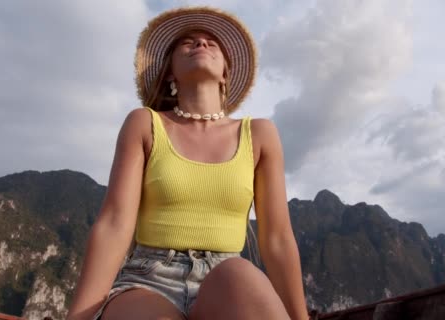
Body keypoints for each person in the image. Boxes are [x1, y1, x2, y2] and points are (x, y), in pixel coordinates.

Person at [67, 6, 309, 320]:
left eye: (212, 42)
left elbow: (277, 238)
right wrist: (78, 315)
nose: (201, 44)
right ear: (169, 71)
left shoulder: (259, 134)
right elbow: (114, 224)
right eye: (188, 42)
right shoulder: (145, 124)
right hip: (148, 279)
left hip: (226, 278)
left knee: (242, 275)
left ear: (225, 72)